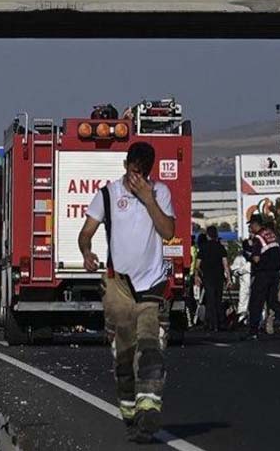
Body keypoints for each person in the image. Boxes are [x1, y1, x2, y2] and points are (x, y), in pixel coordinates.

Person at [78, 142, 174, 443]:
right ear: (125, 166)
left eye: (144, 174)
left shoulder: (160, 193)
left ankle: (149, 412)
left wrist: (149, 200)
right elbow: (86, 233)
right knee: (124, 356)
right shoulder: (107, 195)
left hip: (152, 285)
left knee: (151, 348)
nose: (138, 179)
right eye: (134, 173)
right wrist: (87, 253)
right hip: (119, 286)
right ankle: (131, 414)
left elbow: (168, 232)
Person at [247, 214, 280, 338]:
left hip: (263, 274)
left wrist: (247, 255)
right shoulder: (271, 235)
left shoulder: (258, 238)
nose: (250, 228)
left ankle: (253, 332)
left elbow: (257, 258)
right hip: (275, 274)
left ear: (255, 224)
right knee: (273, 302)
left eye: (251, 226)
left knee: (255, 302)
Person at [195, 226, 231, 332]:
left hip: (207, 277)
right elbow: (225, 265)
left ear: (207, 235)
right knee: (218, 299)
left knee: (210, 300)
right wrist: (228, 279)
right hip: (219, 277)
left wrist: (197, 275)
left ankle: (212, 324)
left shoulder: (203, 248)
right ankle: (219, 323)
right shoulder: (221, 247)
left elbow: (197, 265)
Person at [231, 238, 253, 326]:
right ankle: (241, 320)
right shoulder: (240, 258)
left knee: (256, 303)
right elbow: (234, 270)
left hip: (255, 283)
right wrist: (242, 270)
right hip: (244, 284)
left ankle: (256, 322)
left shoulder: (256, 256)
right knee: (243, 302)